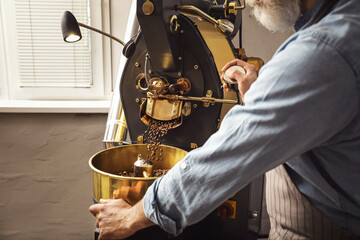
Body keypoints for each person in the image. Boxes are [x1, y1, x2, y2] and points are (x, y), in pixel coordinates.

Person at [89, 0, 360, 239]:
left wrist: (132, 216)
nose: (250, 2)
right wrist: (264, 94)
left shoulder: (322, 51)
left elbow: (228, 154)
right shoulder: (346, 22)